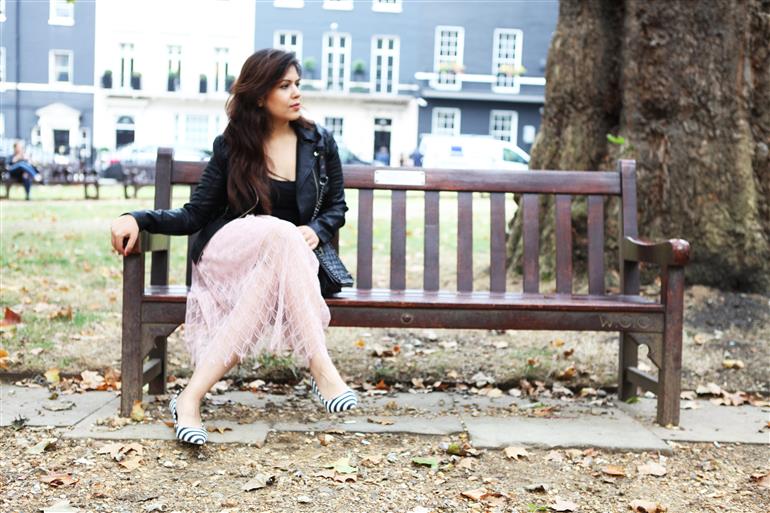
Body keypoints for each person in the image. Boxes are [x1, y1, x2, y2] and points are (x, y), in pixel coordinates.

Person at [109, 49, 357, 446]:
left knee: (279, 251)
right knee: (281, 233)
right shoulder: (232, 144)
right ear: (259, 95)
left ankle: (189, 400)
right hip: (229, 254)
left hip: (284, 264)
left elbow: (336, 206)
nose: (296, 93)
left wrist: (315, 229)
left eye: (297, 84)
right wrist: (138, 218)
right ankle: (322, 369)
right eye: (284, 86)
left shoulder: (319, 142)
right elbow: (195, 214)